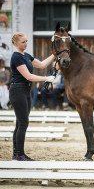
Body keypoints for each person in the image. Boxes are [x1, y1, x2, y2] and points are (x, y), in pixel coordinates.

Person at [9, 32, 55, 161]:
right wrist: (46, 78)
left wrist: (54, 53)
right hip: (18, 90)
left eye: (26, 41)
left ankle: (17, 154)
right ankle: (19, 154)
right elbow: (28, 76)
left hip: (25, 91)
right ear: (16, 43)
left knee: (20, 122)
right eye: (23, 42)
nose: (26, 44)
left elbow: (41, 65)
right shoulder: (16, 57)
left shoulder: (26, 55)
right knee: (23, 123)